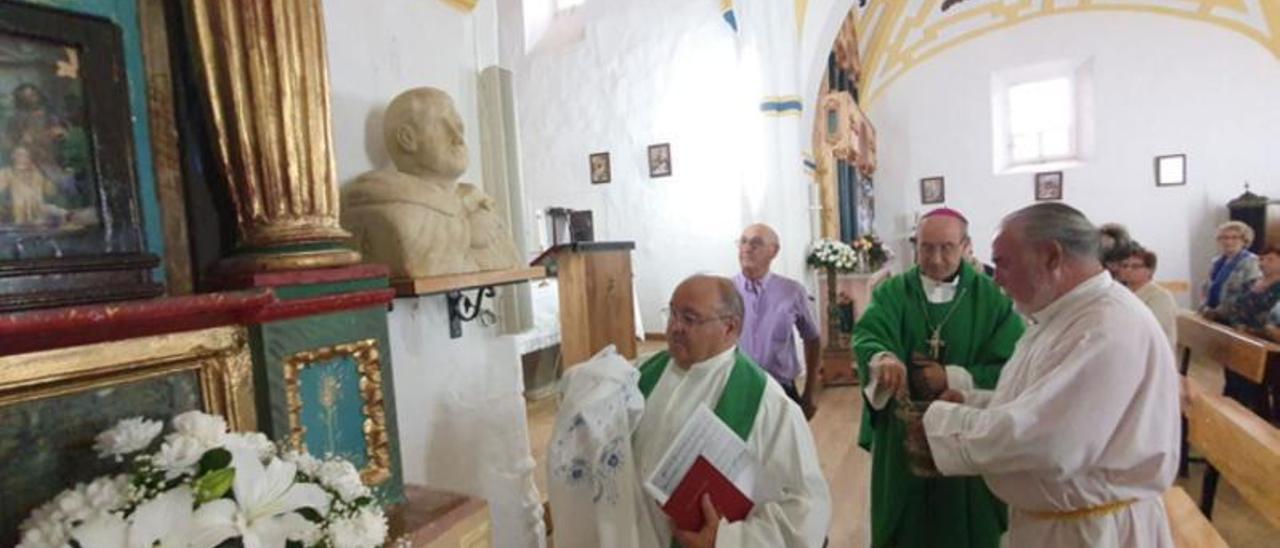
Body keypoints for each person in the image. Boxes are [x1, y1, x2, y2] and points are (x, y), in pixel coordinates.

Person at [912, 203, 1180, 547]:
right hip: (1063, 522)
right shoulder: (1062, 315)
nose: (996, 276)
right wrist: (974, 401)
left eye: (1005, 262)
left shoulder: (1107, 326)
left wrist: (946, 428)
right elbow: (1041, 402)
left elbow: (1052, 439)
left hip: (1093, 532)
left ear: (1052, 256)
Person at [852, 207, 1024, 548]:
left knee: (965, 521)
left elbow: (1014, 366)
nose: (935, 258)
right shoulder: (893, 293)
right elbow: (869, 335)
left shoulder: (993, 299)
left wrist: (952, 376)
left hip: (966, 427)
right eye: (926, 247)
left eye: (947, 247)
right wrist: (882, 358)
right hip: (903, 428)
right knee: (903, 519)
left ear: (966, 246)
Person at [634, 275, 830, 547]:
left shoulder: (768, 404)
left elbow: (806, 510)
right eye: (673, 313)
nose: (675, 327)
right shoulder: (642, 376)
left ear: (730, 327)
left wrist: (726, 540)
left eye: (690, 319)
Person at [341, 87, 520, 277]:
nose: (459, 138)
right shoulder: (393, 213)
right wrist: (468, 234)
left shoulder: (476, 204)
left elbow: (508, 258)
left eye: (459, 127)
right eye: (444, 127)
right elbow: (418, 259)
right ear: (408, 139)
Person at [734, 223, 822, 419]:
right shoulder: (726, 291)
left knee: (786, 448)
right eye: (743, 242)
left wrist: (810, 391)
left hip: (781, 389)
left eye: (756, 243)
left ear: (773, 251)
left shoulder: (792, 291)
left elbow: (813, 339)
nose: (747, 248)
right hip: (736, 387)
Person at [1119, 247, 1179, 350]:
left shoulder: (1161, 297)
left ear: (1150, 271)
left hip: (1153, 352)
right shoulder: (1121, 293)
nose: (1128, 270)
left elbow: (1152, 331)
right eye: (1125, 266)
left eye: (1135, 266)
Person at [1200, 220, 1261, 318]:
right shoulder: (1216, 262)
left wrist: (1220, 312)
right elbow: (1207, 288)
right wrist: (1204, 307)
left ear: (1244, 240)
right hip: (1212, 314)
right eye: (1225, 238)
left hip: (1235, 317)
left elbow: (1250, 294)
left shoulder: (1252, 262)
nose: (1229, 241)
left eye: (1235, 237)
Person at [0, 145, 59, 225]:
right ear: (13, 157)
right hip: (16, 218)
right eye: (20, 155)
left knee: (54, 211)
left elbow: (51, 192)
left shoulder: (37, 174)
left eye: (26, 155)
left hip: (38, 218)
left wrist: (46, 176)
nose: (24, 158)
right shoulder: (7, 173)